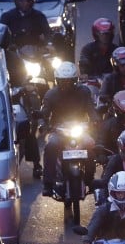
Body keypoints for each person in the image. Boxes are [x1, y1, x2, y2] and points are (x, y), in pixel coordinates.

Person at [38, 61, 100, 197]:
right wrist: (43, 124)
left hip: (80, 129)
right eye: (62, 81)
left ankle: (90, 178)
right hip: (58, 131)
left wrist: (95, 120)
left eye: (69, 81)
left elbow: (91, 109)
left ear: (75, 81)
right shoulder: (50, 94)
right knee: (50, 146)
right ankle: (48, 183)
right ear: (57, 81)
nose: (66, 85)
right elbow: (44, 113)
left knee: (90, 144)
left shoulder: (84, 92)